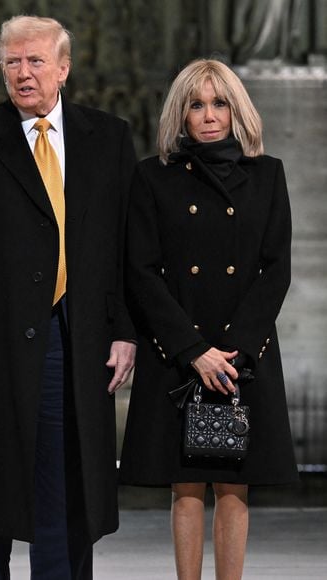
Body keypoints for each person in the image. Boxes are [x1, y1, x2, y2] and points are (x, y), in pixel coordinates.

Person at [0, 15, 136, 580]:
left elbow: (126, 244)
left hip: (75, 338)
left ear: (63, 69)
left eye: (36, 61)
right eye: (12, 63)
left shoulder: (109, 138)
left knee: (67, 490)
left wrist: (124, 329)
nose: (23, 73)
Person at [119, 58, 298, 579]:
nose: (209, 115)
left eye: (219, 102)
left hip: (244, 353)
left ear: (237, 108)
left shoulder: (268, 175)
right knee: (187, 486)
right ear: (181, 113)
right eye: (196, 104)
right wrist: (194, 351)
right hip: (179, 350)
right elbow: (141, 270)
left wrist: (234, 348)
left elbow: (276, 269)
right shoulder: (153, 177)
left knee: (234, 486)